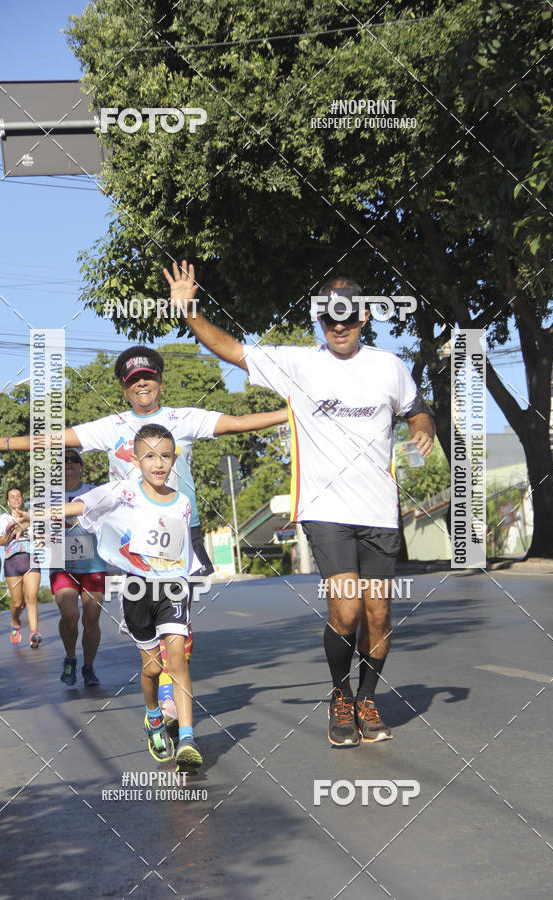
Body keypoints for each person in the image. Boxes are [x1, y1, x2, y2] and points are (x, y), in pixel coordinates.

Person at [164, 260, 436, 748]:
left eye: (346, 318)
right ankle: (340, 695)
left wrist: (423, 428)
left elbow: (416, 410)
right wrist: (189, 312)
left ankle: (367, 698)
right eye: (329, 319)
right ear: (320, 320)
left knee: (378, 615)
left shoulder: (389, 367)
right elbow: (233, 350)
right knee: (347, 610)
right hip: (325, 510)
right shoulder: (299, 364)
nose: (338, 327)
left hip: (379, 511)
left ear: (364, 317)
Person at [0, 346, 287, 725]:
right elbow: (56, 438)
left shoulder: (183, 418)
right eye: (134, 380)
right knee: (149, 622)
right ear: (124, 388)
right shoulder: (112, 426)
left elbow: (238, 422)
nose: (142, 385)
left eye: (148, 377)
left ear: (160, 381)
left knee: (179, 621)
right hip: (132, 540)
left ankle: (169, 690)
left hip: (181, 532)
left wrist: (292, 413)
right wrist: (4, 443)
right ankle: (158, 688)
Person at [16, 424, 202, 774]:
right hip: (137, 589)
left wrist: (188, 582)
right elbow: (80, 505)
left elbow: (181, 551)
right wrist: (34, 515)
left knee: (176, 659)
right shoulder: (123, 491)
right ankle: (152, 715)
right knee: (152, 668)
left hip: (173, 587)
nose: (158, 463)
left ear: (174, 460)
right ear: (135, 460)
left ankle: (189, 740)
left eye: (165, 456)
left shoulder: (182, 502)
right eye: (150, 456)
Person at [50, 449, 106, 687]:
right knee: (70, 615)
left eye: (74, 460)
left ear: (81, 466)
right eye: (64, 460)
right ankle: (70, 658)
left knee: (91, 619)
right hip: (62, 565)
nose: (69, 463)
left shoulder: (94, 492)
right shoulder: (49, 496)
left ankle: (88, 667)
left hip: (93, 563)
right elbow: (38, 529)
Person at [0, 488, 42, 647]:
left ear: (22, 499)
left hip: (31, 559)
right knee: (16, 602)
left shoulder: (31, 516)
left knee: (31, 598)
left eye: (18, 496)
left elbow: (42, 537)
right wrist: (10, 533)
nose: (16, 499)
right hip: (12, 562)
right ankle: (15, 622)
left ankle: (34, 634)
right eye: (12, 497)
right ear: (7, 502)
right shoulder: (4, 519)